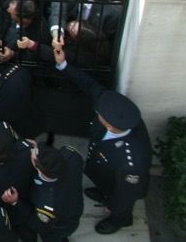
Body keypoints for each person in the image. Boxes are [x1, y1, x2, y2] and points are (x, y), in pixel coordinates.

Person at [52, 30, 148, 234]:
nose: (97, 112)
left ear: (111, 126)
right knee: (104, 180)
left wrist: (115, 207)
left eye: (99, 115)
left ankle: (120, 221)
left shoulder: (131, 164)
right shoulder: (113, 109)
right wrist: (63, 64)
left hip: (120, 184)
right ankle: (103, 191)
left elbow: (126, 194)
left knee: (119, 201)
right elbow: (90, 85)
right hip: (105, 171)